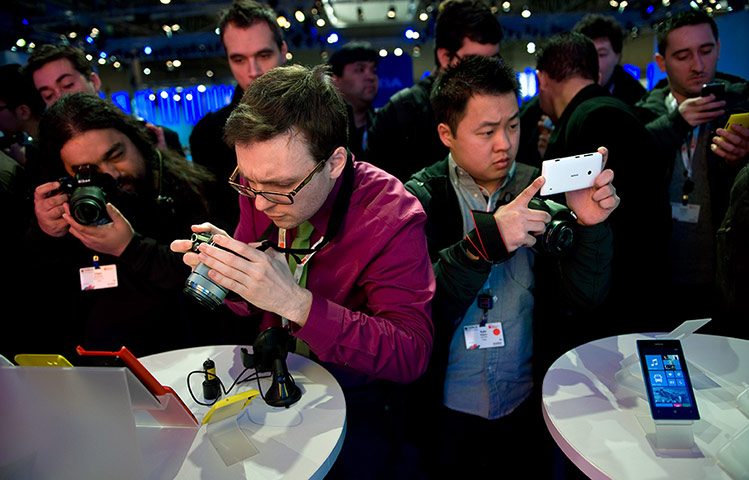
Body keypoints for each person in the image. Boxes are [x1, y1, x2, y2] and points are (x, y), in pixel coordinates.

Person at [171, 64, 435, 479]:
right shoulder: (263, 187)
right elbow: (255, 299)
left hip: (360, 402)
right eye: (248, 182)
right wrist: (234, 277)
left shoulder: (392, 216)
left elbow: (411, 354)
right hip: (280, 380)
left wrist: (297, 304)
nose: (259, 205)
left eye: (280, 187)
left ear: (334, 162)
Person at [403, 55, 618, 478]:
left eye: (513, 125)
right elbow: (418, 314)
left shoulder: (538, 187)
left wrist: (590, 228)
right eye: (487, 131)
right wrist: (486, 242)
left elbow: (586, 297)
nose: (504, 143)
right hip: (447, 406)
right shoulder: (420, 200)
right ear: (446, 133)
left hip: (528, 398)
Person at [27, 93, 214, 360]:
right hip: (97, 370)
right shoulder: (67, 210)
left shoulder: (191, 191)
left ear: (136, 139)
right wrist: (45, 235)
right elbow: (37, 301)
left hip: (186, 360)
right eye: (86, 170)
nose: (111, 174)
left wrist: (130, 248)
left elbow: (209, 282)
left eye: (115, 155)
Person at [535, 32, 671, 333]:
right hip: (616, 293)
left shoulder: (598, 117)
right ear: (595, 73)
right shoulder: (600, 111)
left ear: (542, 78)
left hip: (618, 305)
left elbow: (622, 219)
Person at [634, 10, 749, 323]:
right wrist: (674, 124)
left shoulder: (742, 103)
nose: (698, 66)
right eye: (683, 56)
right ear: (661, 62)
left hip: (727, 276)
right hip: (659, 277)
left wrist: (742, 164)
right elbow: (630, 166)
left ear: (719, 48)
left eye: (706, 51)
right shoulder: (643, 115)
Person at [366, 0, 503, 182]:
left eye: (493, 60)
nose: (485, 71)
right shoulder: (400, 113)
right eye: (475, 61)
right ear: (445, 57)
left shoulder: (497, 104)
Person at [188, 0, 287, 231]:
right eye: (239, 59)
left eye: (263, 55)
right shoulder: (207, 134)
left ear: (283, 50)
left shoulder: (325, 114)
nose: (253, 71)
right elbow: (215, 212)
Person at [23, 44, 185, 157]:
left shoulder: (153, 137)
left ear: (94, 81)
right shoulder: (43, 154)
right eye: (48, 95)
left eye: (68, 84)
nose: (60, 98)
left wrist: (163, 167)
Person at [573, 13, 647, 106]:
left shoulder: (638, 100)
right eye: (586, 55)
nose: (593, 63)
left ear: (617, 57)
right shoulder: (565, 96)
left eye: (601, 54)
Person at [328, 41, 379, 162]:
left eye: (373, 71)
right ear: (335, 79)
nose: (370, 77)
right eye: (360, 70)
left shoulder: (384, 123)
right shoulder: (322, 129)